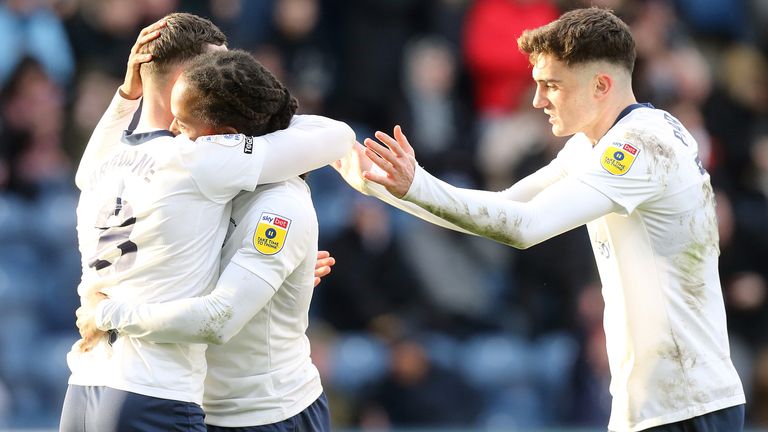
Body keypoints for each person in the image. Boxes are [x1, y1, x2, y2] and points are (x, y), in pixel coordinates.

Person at [333, 7, 745, 432]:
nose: (537, 101)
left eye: (551, 85)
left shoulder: (639, 148)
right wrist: (384, 187)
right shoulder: (601, 142)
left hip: (687, 406)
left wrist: (415, 186)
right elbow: (504, 206)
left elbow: (524, 227)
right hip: (657, 408)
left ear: (601, 85)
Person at [61, 13, 353, 432]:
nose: (223, 73)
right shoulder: (201, 160)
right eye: (212, 67)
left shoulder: (101, 165)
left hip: (84, 387)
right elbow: (337, 137)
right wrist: (111, 314)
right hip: (154, 393)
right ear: (183, 78)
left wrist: (129, 92)